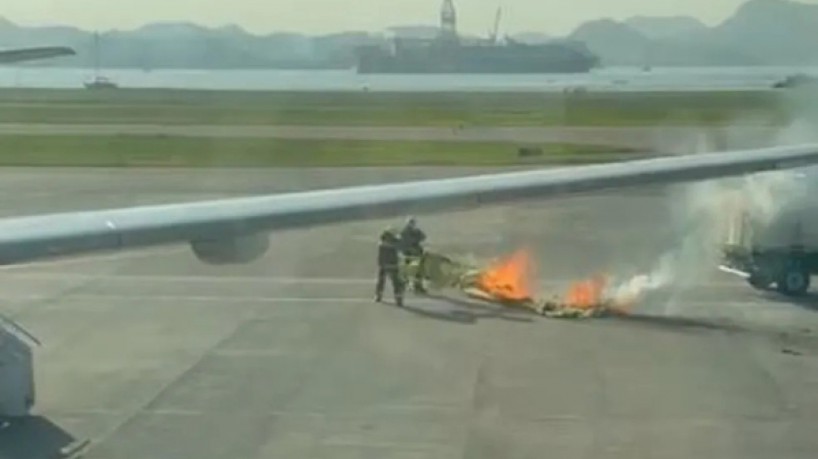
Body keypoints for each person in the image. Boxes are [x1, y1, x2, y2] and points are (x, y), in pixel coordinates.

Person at [375, 228, 404, 306]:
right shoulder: (391, 244)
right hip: (391, 264)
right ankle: (398, 298)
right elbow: (399, 244)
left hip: (385, 264)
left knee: (382, 281)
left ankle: (379, 295)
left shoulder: (382, 244)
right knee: (395, 282)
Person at [400, 216, 427, 294]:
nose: (412, 224)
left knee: (418, 271)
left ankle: (417, 286)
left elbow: (423, 237)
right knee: (408, 271)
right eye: (411, 223)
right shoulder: (404, 232)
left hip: (415, 253)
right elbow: (406, 242)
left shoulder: (415, 231)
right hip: (409, 254)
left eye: (413, 223)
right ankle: (406, 285)